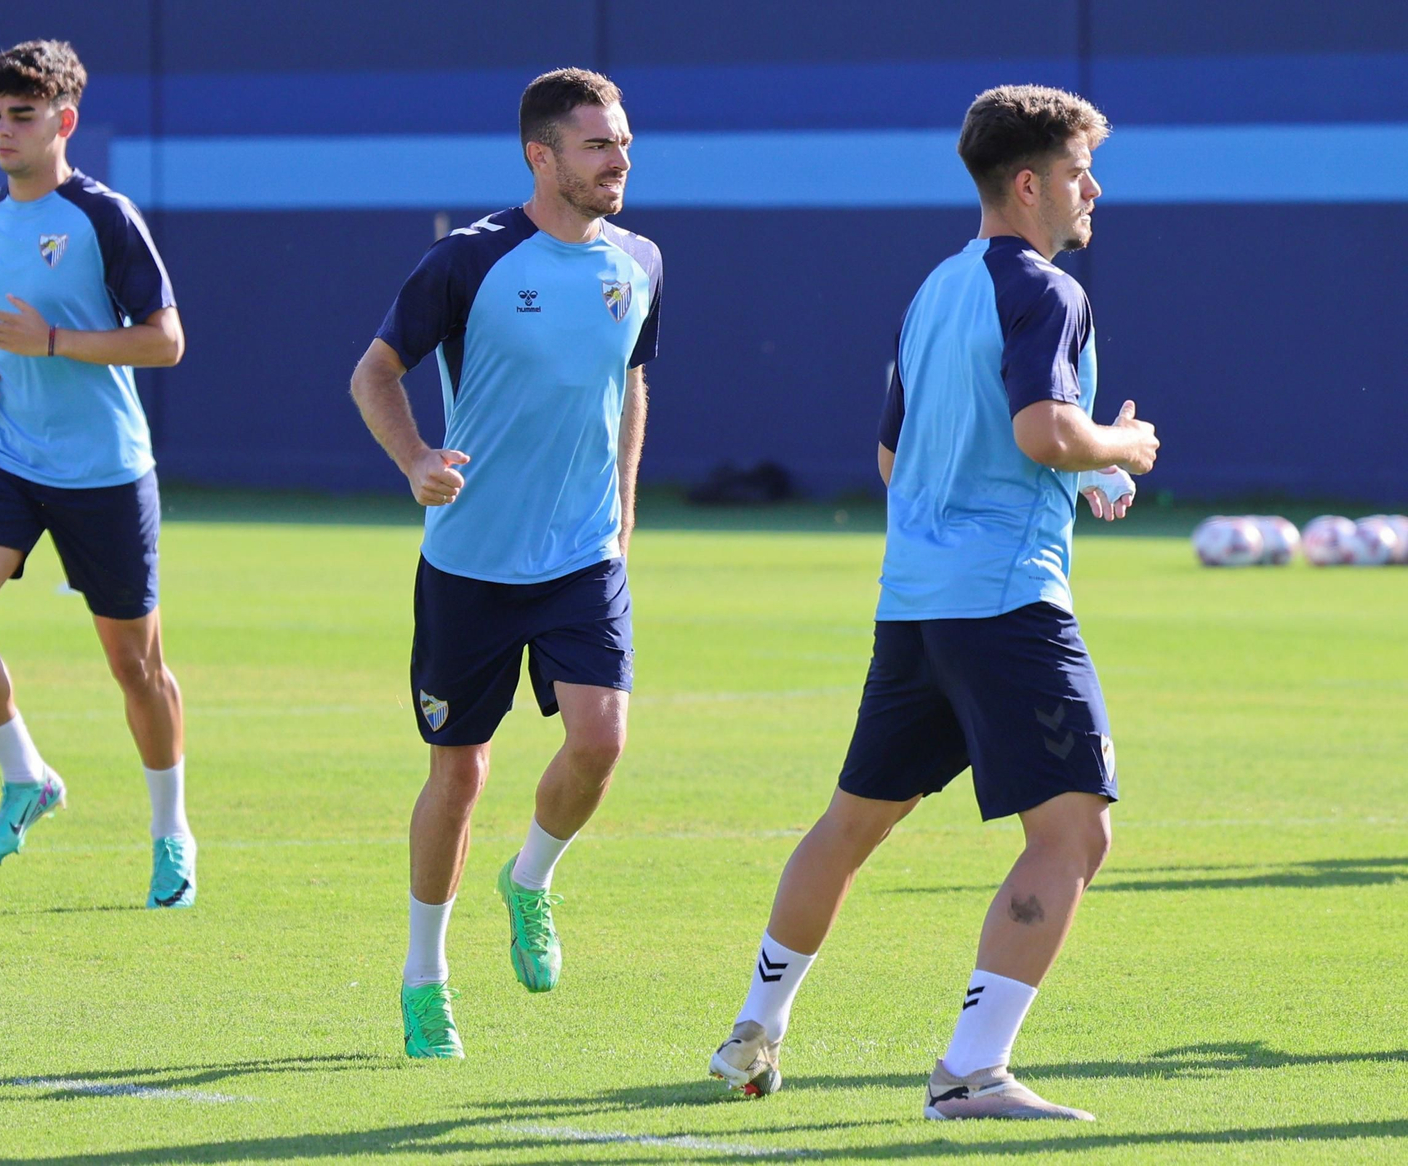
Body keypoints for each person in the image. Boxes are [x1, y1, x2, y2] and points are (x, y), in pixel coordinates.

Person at [708, 84, 1159, 1120]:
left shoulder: (934, 288)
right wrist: (1117, 447)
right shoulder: (1047, 290)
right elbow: (1044, 429)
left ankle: (754, 1027)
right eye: (1082, 171)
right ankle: (970, 1069)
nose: (1094, 190)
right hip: (1005, 605)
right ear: (1031, 182)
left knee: (850, 824)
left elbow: (891, 454)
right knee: (1074, 834)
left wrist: (1075, 472)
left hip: (913, 603)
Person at [351, 67, 661, 1059]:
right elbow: (375, 372)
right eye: (596, 145)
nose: (617, 160)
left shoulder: (642, 260)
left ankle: (528, 878)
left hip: (580, 558)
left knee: (601, 742)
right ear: (541, 156)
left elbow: (632, 381)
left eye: (620, 142)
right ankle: (425, 976)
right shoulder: (468, 260)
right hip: (471, 561)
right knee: (459, 774)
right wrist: (416, 461)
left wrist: (620, 515)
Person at [0, 40, 195, 908]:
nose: (4, 131)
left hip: (105, 470)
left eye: (23, 115)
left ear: (63, 122)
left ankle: (171, 832)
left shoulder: (104, 216)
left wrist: (54, 343)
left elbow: (166, 340)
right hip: (9, 454)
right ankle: (27, 777)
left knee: (135, 667)